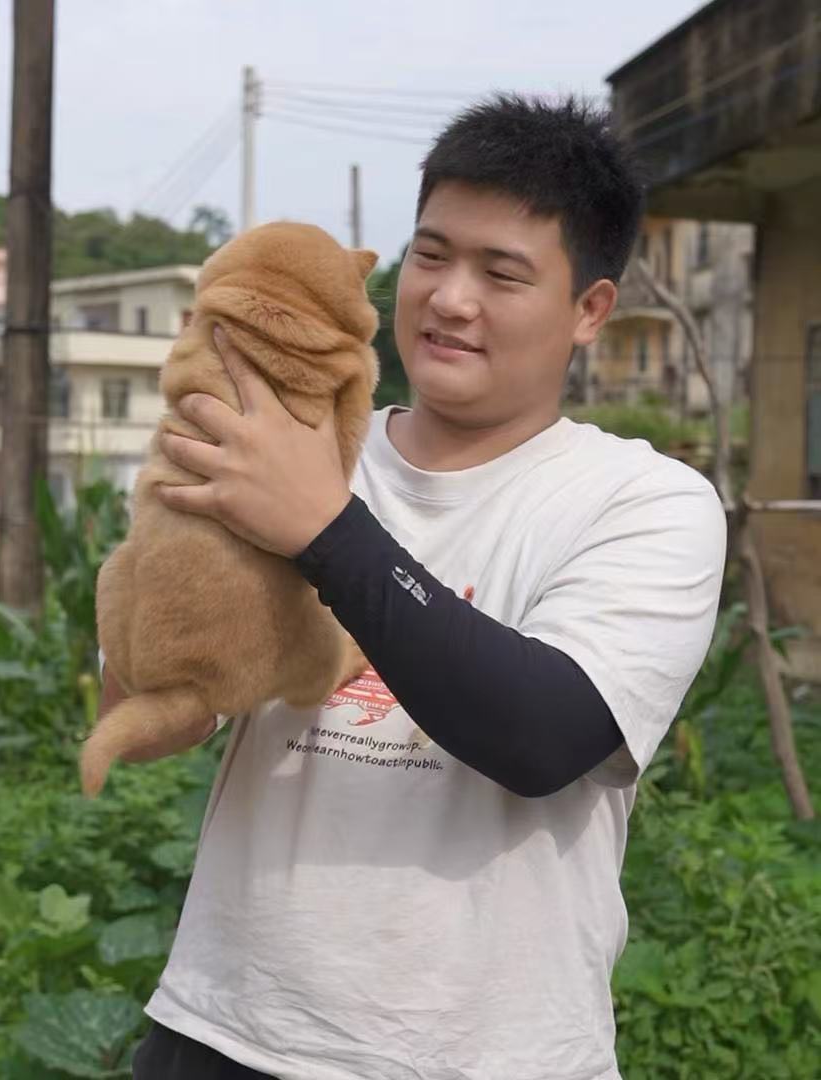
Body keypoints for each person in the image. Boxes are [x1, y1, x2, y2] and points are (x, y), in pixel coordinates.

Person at [98, 94, 727, 1080]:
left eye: (502, 271)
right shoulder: (280, 447)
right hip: (223, 1032)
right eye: (431, 254)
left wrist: (321, 530)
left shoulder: (645, 503)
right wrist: (157, 604)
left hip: (492, 1057)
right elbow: (151, 707)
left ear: (591, 312)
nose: (449, 298)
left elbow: (544, 738)